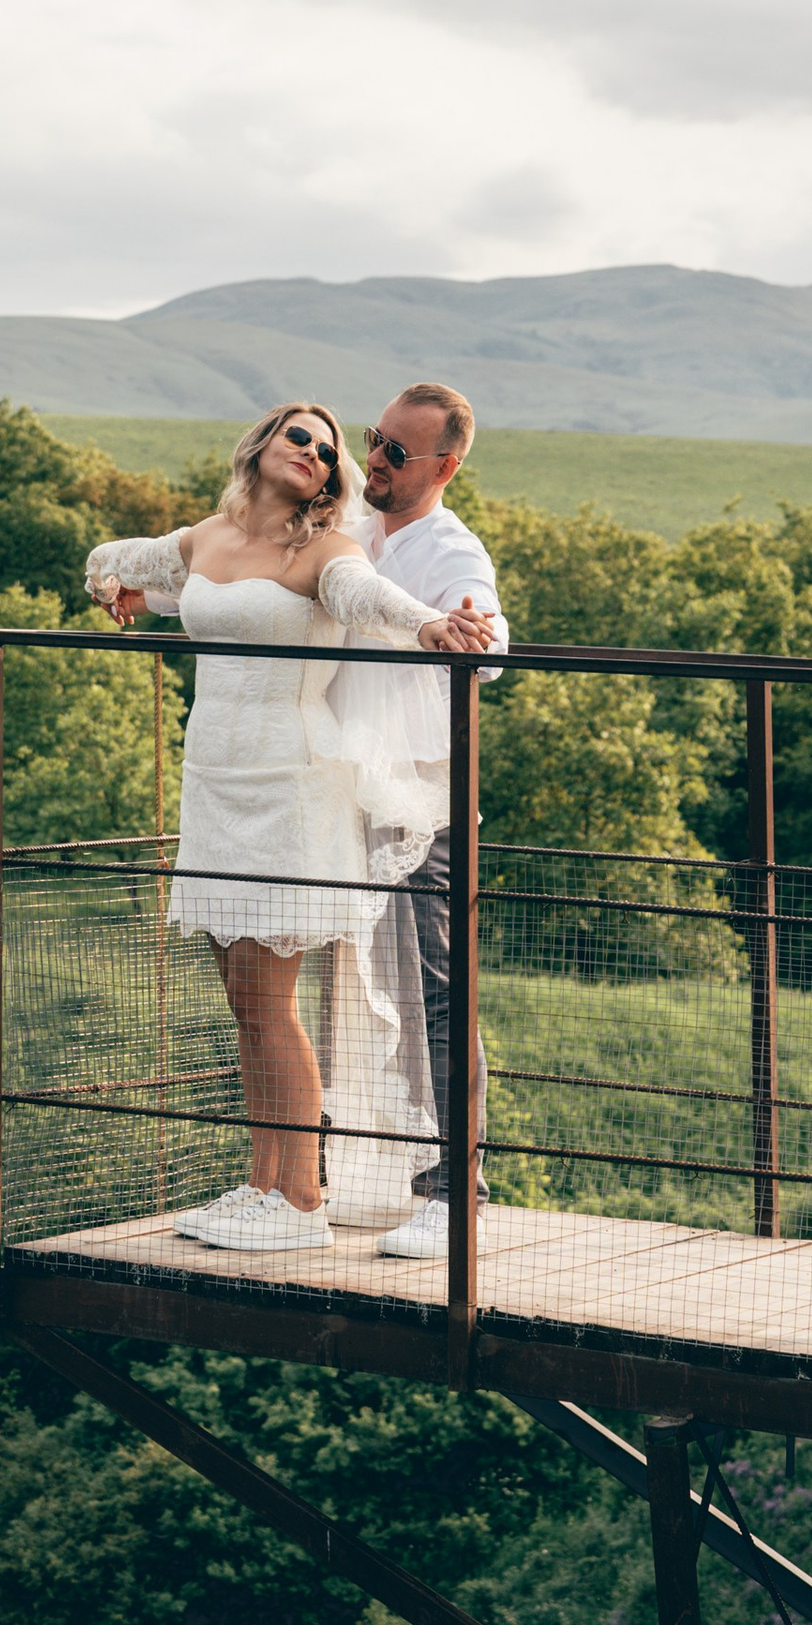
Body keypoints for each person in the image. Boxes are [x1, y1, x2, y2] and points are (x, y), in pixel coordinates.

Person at [85, 401, 499, 1253]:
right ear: (262, 445)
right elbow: (193, 584)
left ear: (442, 466)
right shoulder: (236, 534)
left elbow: (375, 602)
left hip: (335, 786)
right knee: (247, 1002)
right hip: (218, 783)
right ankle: (265, 1181)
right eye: (362, 441)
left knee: (382, 996)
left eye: (344, 446)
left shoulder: (363, 547)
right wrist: (123, 589)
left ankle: (345, 1197)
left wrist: (438, 626)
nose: (351, 454)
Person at [352, 384, 508, 1260]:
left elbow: (487, 636)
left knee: (438, 992)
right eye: (374, 438)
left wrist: (475, 633)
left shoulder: (451, 550)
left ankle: (458, 1195)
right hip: (347, 796)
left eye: (396, 452)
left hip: (422, 809)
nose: (374, 459)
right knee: (360, 989)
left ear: (444, 467)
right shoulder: (356, 526)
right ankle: (361, 1174)